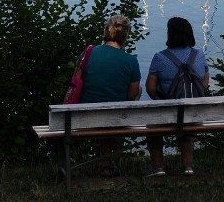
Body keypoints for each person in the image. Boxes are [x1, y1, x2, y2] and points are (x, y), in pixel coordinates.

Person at [144, 17, 209, 177]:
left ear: (170, 35)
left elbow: (150, 89)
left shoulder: (160, 58)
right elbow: (204, 84)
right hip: (194, 113)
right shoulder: (199, 56)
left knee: (153, 128)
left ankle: (158, 168)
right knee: (185, 124)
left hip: (167, 113)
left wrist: (161, 99)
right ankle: (188, 166)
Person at [79, 14, 141, 177]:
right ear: (126, 35)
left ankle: (106, 164)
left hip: (83, 115)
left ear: (105, 31)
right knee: (115, 109)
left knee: (104, 107)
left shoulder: (87, 54)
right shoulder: (130, 61)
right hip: (116, 117)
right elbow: (133, 93)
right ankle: (107, 164)